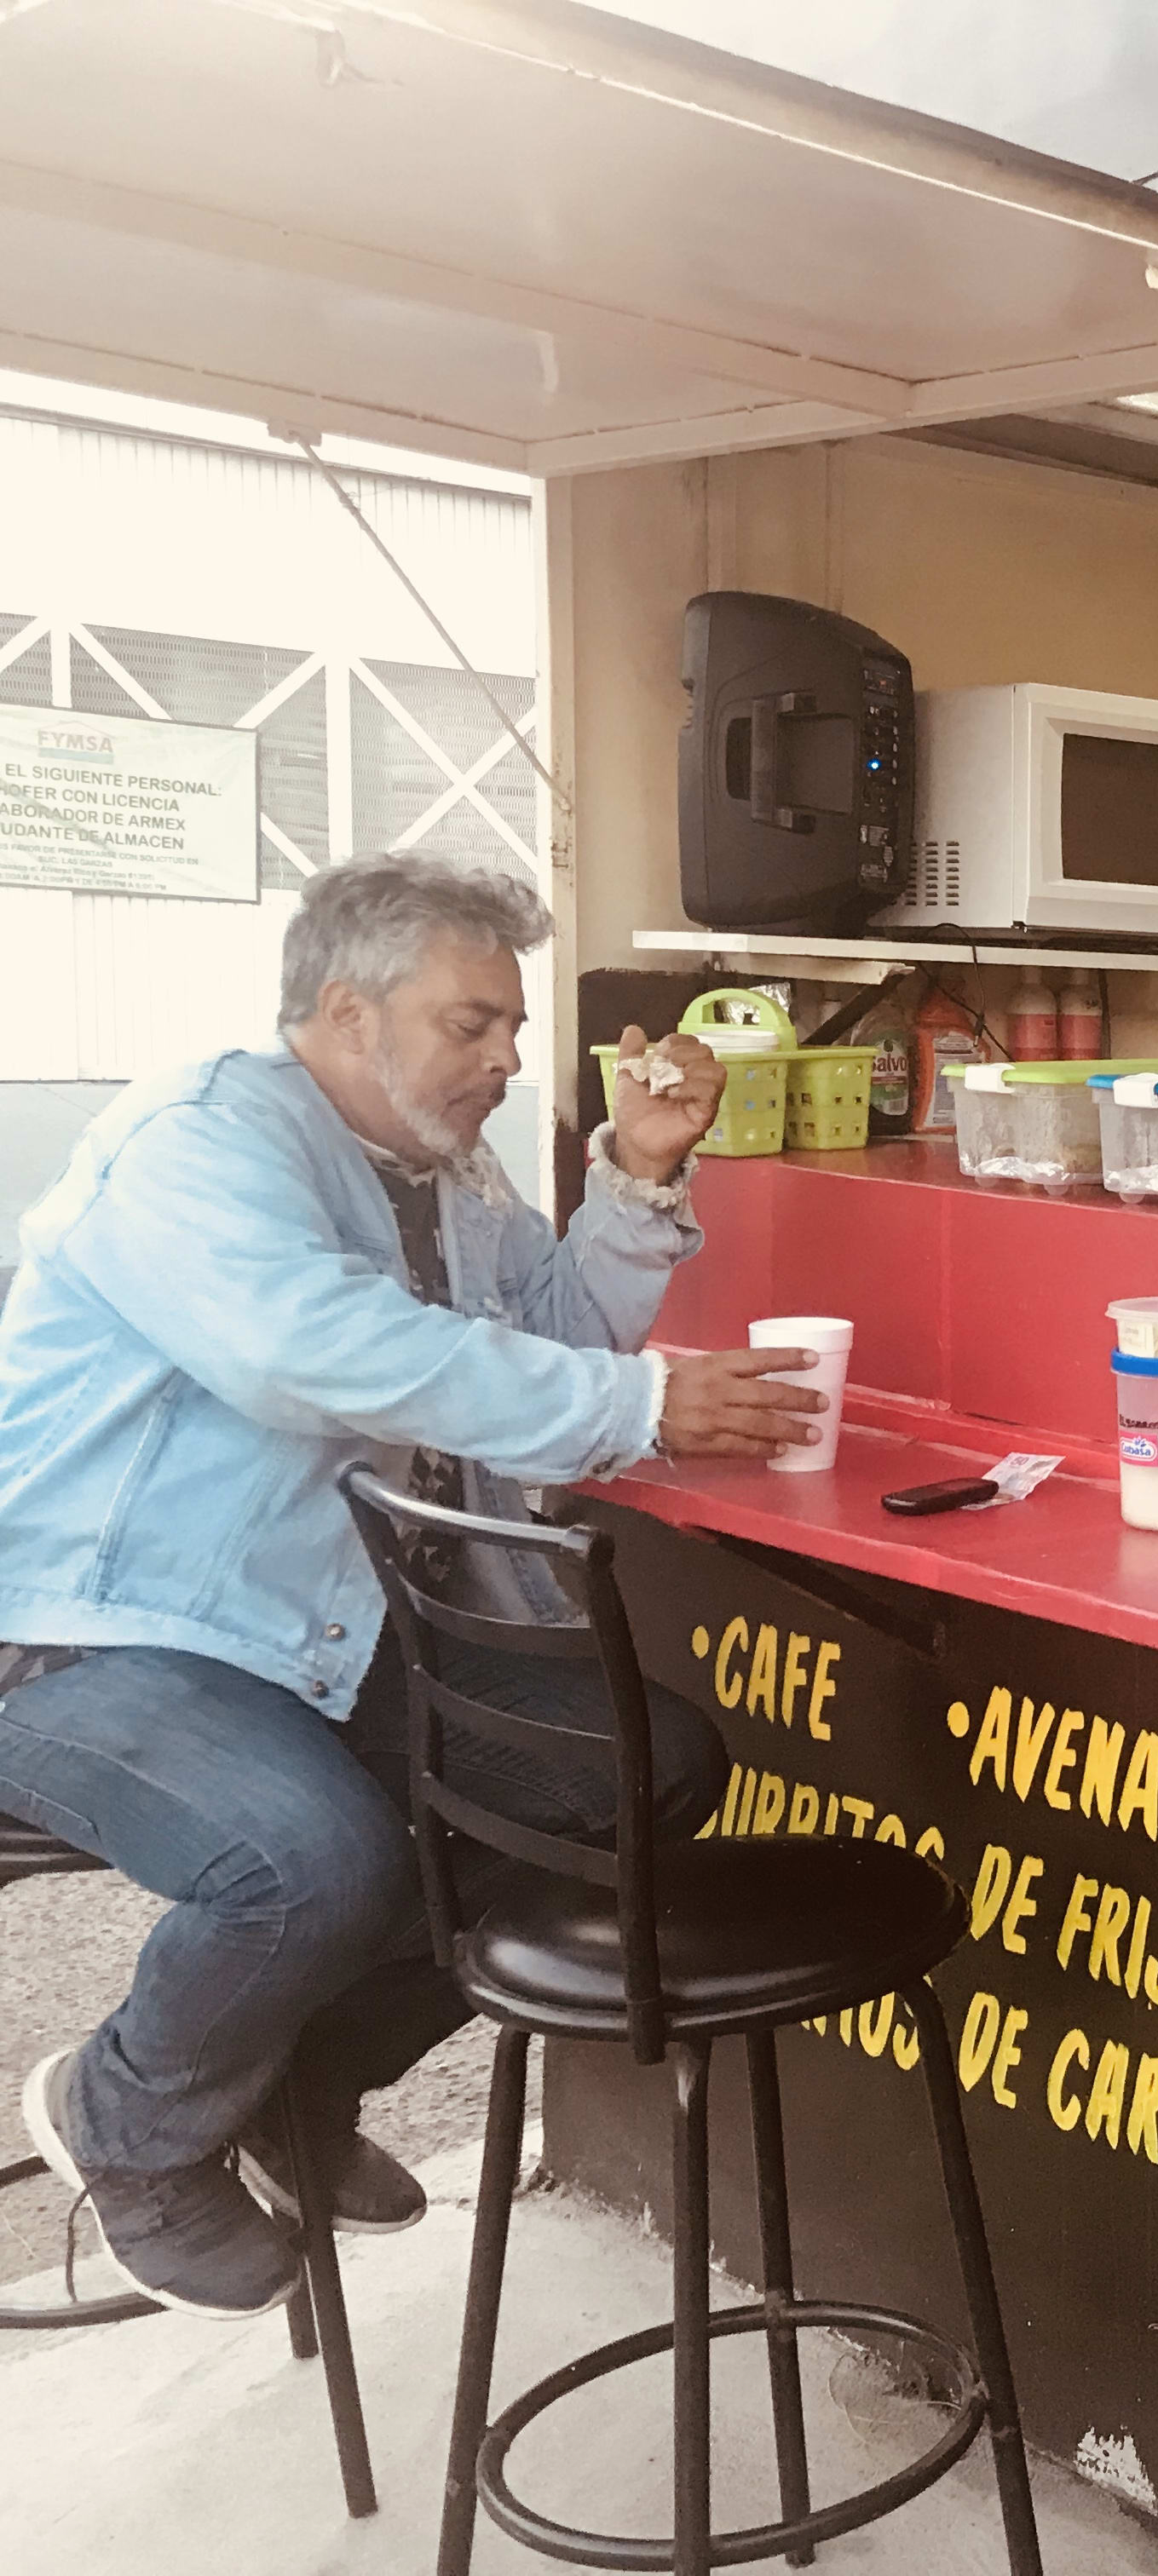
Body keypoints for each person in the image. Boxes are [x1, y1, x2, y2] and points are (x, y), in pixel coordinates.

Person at [0, 854, 825, 2318]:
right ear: (345, 1008)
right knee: (308, 1862)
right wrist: (638, 1406)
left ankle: (295, 2084)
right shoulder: (201, 1139)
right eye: (473, 1024)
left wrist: (635, 1176)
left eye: (510, 1026)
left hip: (314, 1630)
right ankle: (126, 2117)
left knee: (641, 1769)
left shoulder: (443, 1172)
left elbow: (546, 1333)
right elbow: (302, 1348)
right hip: (84, 1625)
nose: (509, 1057)